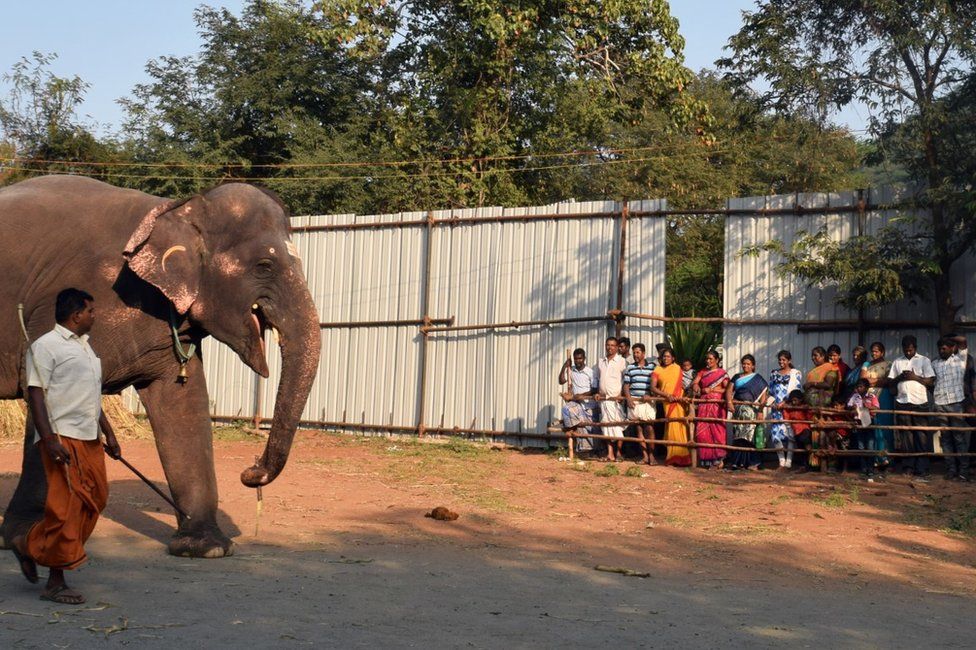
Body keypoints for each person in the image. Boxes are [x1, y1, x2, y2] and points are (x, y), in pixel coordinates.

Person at [9, 288, 121, 605]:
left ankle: (26, 544)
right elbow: (36, 396)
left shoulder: (87, 349)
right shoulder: (45, 347)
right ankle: (55, 582)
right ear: (76, 315)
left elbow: (91, 398)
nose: (94, 316)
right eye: (91, 311)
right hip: (62, 437)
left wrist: (109, 433)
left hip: (89, 438)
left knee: (95, 499)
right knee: (66, 508)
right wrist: (48, 439)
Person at [887, 335, 935, 479]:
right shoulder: (897, 361)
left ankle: (922, 467)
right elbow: (890, 383)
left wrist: (915, 377)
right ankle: (908, 466)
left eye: (910, 350)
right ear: (902, 348)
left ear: (915, 347)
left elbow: (931, 382)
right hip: (902, 402)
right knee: (906, 435)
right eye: (906, 350)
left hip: (920, 402)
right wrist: (900, 378)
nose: (908, 352)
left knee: (921, 435)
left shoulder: (924, 360)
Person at [932, 335, 970, 481]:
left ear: (952, 348)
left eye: (944, 348)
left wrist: (949, 337)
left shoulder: (960, 360)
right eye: (940, 348)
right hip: (940, 404)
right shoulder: (934, 363)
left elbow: (963, 340)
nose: (941, 351)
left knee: (959, 438)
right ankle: (951, 470)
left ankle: (963, 472)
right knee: (946, 438)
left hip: (957, 403)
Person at [650, 347, 692, 467]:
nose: (666, 358)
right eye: (664, 356)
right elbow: (653, 387)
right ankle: (672, 457)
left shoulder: (677, 368)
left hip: (679, 401)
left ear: (673, 358)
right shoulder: (657, 369)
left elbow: (686, 385)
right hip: (667, 402)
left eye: (668, 356)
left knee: (681, 427)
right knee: (672, 426)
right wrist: (666, 395)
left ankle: (683, 457)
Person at [725, 354, 768, 471]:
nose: (745, 366)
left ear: (753, 366)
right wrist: (729, 403)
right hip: (738, 411)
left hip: (751, 411)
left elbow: (764, 397)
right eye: (744, 363)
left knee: (749, 436)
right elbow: (729, 391)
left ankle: (752, 463)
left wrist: (760, 411)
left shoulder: (758, 378)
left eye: (748, 364)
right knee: (738, 436)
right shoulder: (736, 377)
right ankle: (737, 462)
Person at [860, 342, 894, 477]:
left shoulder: (889, 364)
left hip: (883, 397)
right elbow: (862, 380)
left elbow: (888, 381)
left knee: (884, 427)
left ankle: (886, 460)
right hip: (868, 398)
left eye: (877, 351)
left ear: (883, 352)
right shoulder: (866, 364)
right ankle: (873, 461)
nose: (874, 354)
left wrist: (871, 381)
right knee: (871, 428)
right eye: (872, 351)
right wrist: (878, 381)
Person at [691, 351, 729, 469]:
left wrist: (712, 391)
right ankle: (707, 461)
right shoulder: (702, 372)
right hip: (704, 405)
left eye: (711, 359)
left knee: (717, 432)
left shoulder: (722, 373)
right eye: (707, 359)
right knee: (702, 432)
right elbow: (695, 383)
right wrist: (698, 388)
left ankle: (718, 461)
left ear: (717, 360)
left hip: (716, 406)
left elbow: (727, 389)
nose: (708, 361)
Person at [767, 350, 803, 470]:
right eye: (780, 359)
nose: (781, 362)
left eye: (784, 360)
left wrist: (785, 402)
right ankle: (781, 461)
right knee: (776, 435)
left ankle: (789, 462)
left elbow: (796, 391)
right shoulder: (774, 373)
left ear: (789, 361)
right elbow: (771, 391)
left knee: (790, 435)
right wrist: (772, 402)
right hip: (776, 409)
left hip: (789, 408)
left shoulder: (795, 373)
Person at [595, 337, 628, 462]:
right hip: (603, 400)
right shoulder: (600, 362)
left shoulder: (622, 361)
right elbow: (598, 379)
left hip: (616, 400)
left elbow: (626, 380)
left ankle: (618, 452)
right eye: (608, 345)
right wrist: (598, 393)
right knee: (606, 427)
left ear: (617, 347)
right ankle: (610, 454)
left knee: (618, 427)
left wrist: (621, 394)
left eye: (613, 345)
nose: (610, 347)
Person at [558, 348, 597, 454]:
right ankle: (571, 429)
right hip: (576, 404)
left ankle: (588, 451)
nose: (578, 361)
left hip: (588, 405)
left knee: (588, 430)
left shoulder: (590, 372)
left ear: (584, 358)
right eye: (576, 359)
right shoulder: (572, 370)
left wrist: (582, 396)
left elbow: (594, 389)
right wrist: (565, 366)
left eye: (580, 358)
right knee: (566, 409)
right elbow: (561, 381)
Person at [623, 344, 656, 464]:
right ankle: (645, 456)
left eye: (638, 352)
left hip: (648, 401)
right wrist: (629, 398)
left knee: (650, 428)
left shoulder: (652, 367)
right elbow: (626, 384)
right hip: (635, 401)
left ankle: (652, 456)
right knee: (639, 429)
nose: (636, 355)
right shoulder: (630, 367)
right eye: (634, 353)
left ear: (643, 353)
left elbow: (656, 384)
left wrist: (651, 396)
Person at [847, 378, 881, 481]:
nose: (858, 388)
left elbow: (877, 408)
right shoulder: (854, 396)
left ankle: (870, 469)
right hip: (859, 422)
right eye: (857, 386)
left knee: (870, 446)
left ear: (866, 388)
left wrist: (868, 407)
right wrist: (852, 407)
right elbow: (848, 406)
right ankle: (863, 469)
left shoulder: (871, 396)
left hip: (869, 421)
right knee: (861, 446)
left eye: (861, 386)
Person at [783, 390, 813, 470]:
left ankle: (810, 463)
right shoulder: (789, 408)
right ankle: (804, 465)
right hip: (796, 430)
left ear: (801, 400)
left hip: (805, 428)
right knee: (800, 448)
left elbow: (809, 417)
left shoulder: (805, 407)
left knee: (806, 442)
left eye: (795, 400)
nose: (793, 402)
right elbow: (786, 416)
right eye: (792, 400)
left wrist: (808, 410)